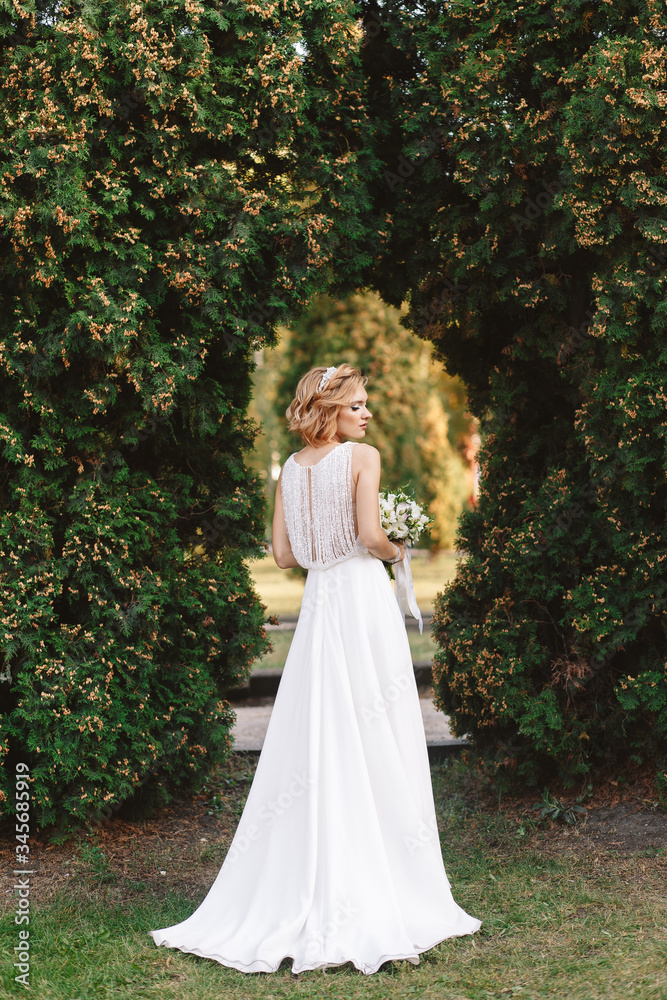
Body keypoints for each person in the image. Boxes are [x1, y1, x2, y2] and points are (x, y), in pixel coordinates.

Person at [149, 362, 481, 974]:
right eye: (357, 404)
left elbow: (281, 555)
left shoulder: (291, 474)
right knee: (374, 722)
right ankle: (383, 874)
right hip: (361, 598)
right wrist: (398, 544)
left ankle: (305, 870)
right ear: (329, 409)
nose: (367, 414)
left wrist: (323, 547)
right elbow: (369, 535)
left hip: (320, 603)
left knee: (318, 727)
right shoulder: (364, 458)